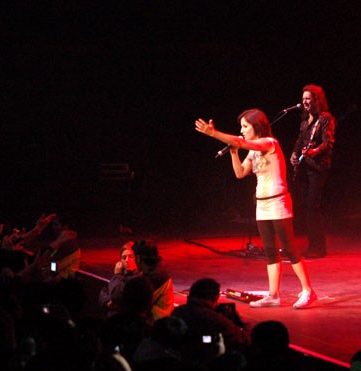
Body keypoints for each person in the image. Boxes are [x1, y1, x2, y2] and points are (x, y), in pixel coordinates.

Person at [195, 109, 317, 309]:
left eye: (245, 126)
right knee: (270, 250)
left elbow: (241, 142)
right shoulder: (252, 151)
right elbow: (240, 173)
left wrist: (213, 133)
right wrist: (233, 152)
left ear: (257, 126)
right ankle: (273, 295)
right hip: (262, 204)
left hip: (278, 202)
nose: (242, 130)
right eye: (241, 127)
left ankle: (308, 290)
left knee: (289, 247)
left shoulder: (269, 143)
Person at [290, 84, 336, 258]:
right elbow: (299, 141)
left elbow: (328, 143)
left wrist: (314, 151)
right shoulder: (305, 121)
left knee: (312, 207)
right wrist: (294, 155)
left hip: (318, 167)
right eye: (303, 99)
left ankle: (319, 248)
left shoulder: (325, 119)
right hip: (304, 168)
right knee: (307, 208)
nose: (305, 102)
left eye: (308, 98)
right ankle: (313, 246)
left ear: (317, 100)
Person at [171, 278, 248, 371]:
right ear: (215, 297)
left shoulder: (177, 312)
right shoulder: (214, 319)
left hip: (180, 363)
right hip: (206, 365)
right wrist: (244, 324)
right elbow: (242, 339)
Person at [131, 239, 174, 323]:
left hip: (156, 325)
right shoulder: (157, 272)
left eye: (133, 257)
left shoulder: (155, 278)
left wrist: (118, 276)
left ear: (138, 258)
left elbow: (135, 302)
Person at [98, 241, 139, 317]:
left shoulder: (140, 278)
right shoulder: (121, 275)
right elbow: (104, 292)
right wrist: (107, 302)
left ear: (138, 258)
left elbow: (117, 297)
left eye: (131, 256)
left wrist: (117, 275)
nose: (127, 260)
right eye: (124, 258)